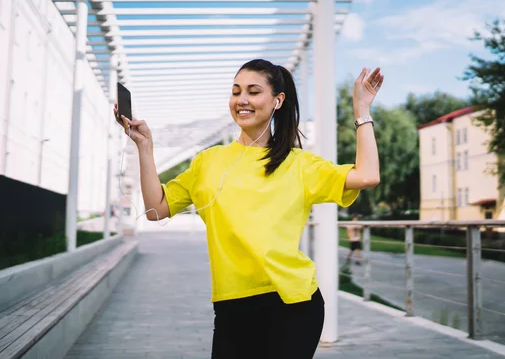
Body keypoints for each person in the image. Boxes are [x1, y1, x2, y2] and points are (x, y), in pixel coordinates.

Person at [114, 59, 383, 359]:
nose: (242, 100)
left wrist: (362, 111)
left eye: (253, 92)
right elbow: (155, 209)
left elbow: (368, 176)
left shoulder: (299, 164)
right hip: (231, 307)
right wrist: (144, 147)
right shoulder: (207, 162)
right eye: (236, 91)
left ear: (278, 100)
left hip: (292, 305)